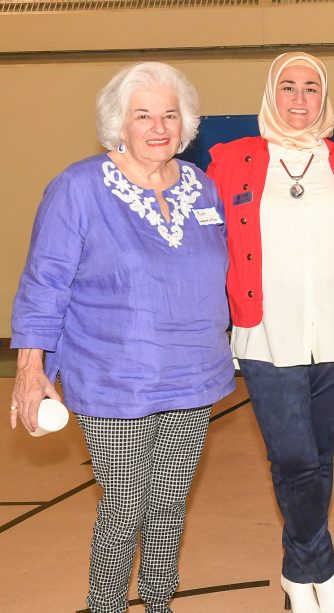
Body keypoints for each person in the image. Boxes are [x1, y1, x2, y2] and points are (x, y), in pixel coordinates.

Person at [9, 62, 235, 613]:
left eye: (169, 115)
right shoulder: (79, 188)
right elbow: (45, 282)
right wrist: (31, 369)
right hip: (114, 380)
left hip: (192, 375)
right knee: (125, 505)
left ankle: (158, 602)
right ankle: (106, 605)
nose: (159, 127)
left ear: (186, 123)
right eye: (143, 116)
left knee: (170, 504)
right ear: (119, 123)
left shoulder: (201, 186)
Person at [206, 52, 334, 613]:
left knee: (319, 460)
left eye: (311, 88)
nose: (300, 99)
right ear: (270, 94)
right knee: (295, 459)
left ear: (324, 98)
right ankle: (322, 571)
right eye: (288, 87)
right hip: (264, 335)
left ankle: (295, 574)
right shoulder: (231, 160)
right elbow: (205, 247)